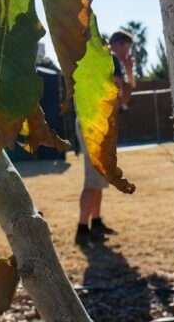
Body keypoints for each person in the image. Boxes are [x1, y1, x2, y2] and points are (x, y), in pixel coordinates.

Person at [75, 30, 135, 246]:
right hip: (93, 125)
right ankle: (82, 229)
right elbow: (121, 96)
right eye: (126, 48)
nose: (127, 53)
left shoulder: (113, 62)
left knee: (100, 176)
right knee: (93, 177)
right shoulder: (108, 59)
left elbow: (123, 102)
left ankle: (96, 222)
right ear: (117, 44)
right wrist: (126, 74)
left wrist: (129, 72)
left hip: (99, 124)